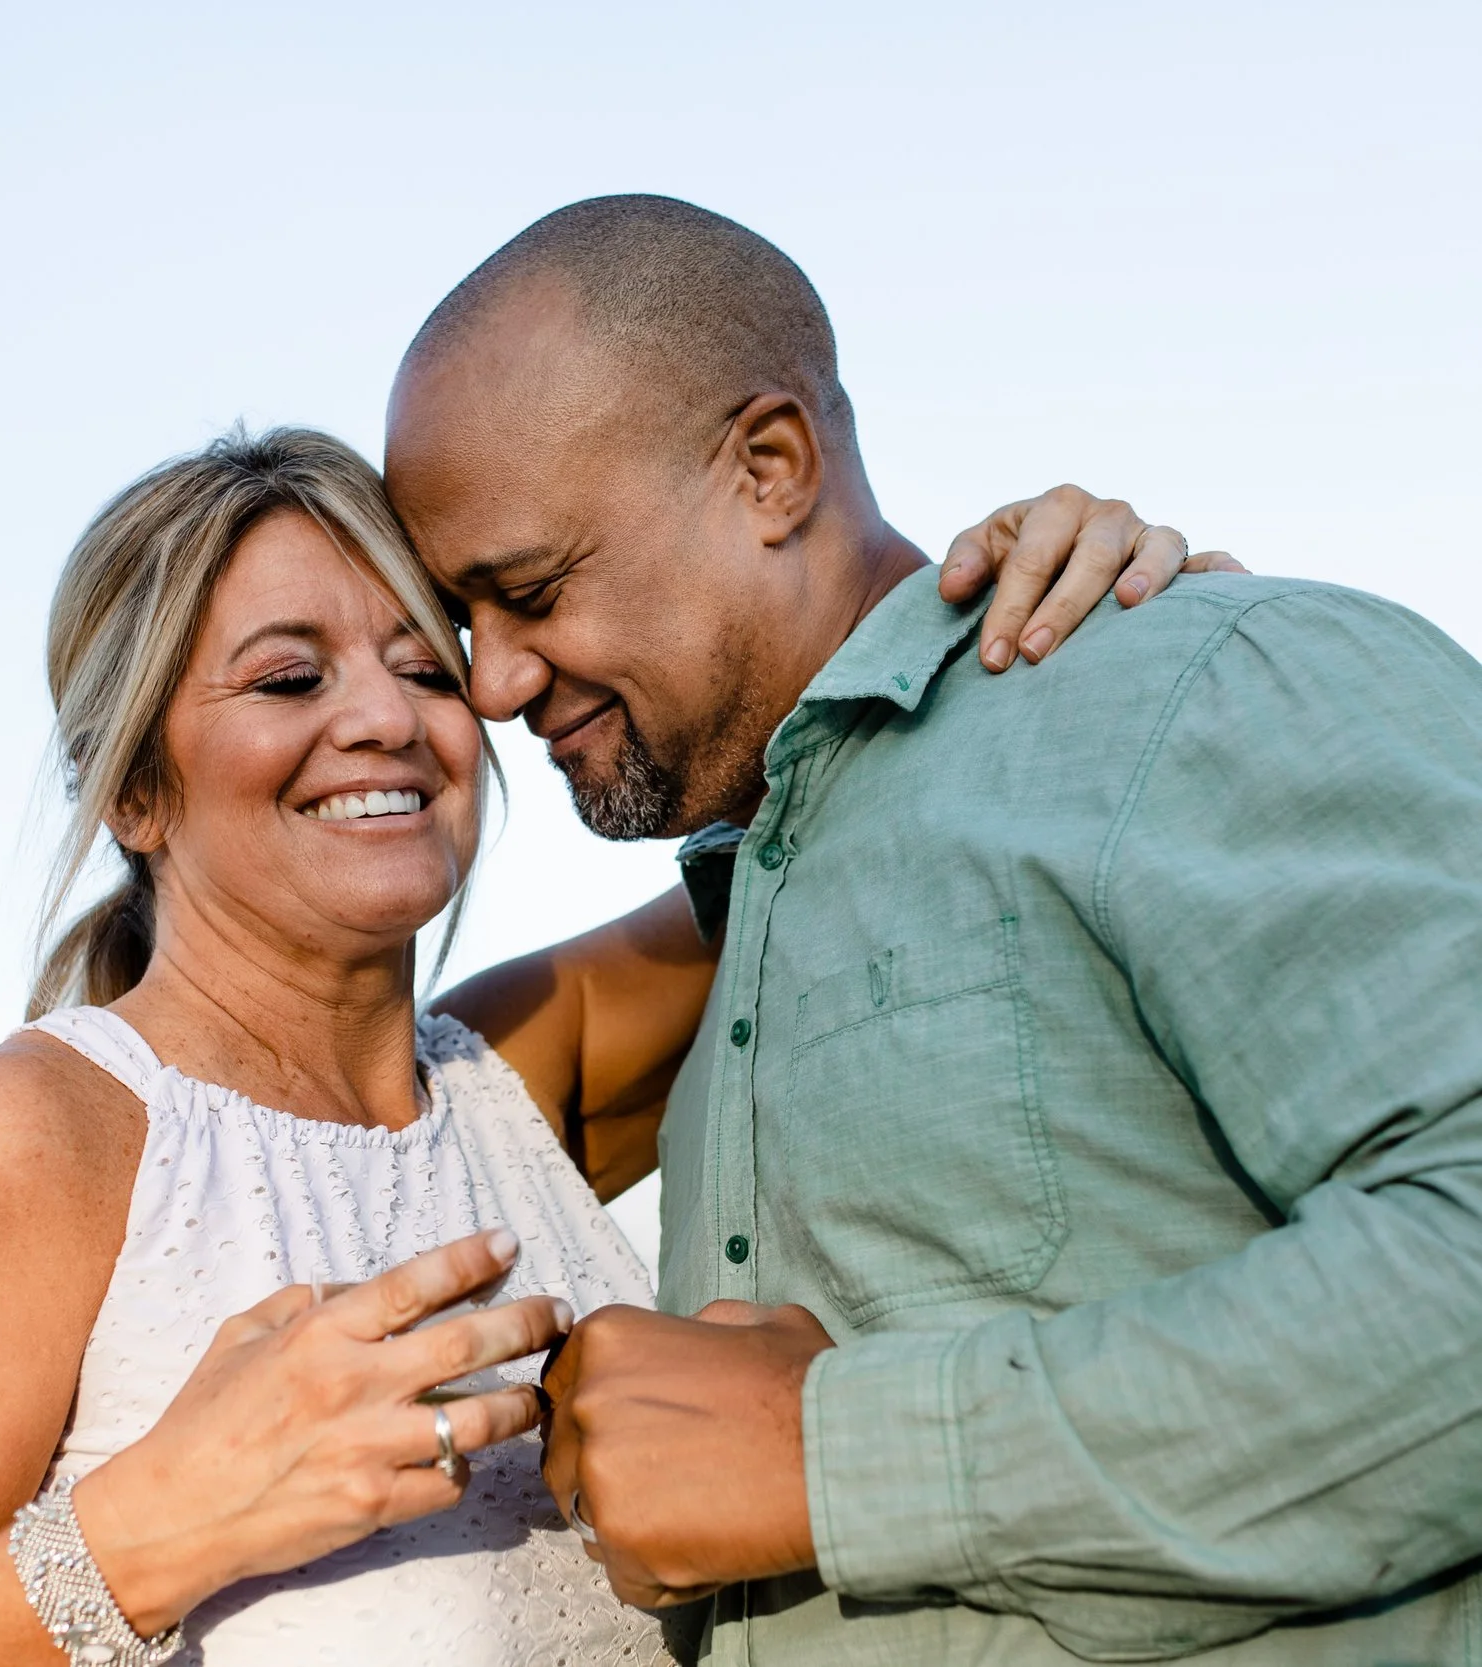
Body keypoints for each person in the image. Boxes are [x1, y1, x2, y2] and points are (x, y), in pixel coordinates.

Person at [0, 413, 1204, 1666]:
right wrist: (169, 1518)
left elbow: (854, 810)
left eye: (424, 665)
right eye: (289, 678)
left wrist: (1064, 603)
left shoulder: (528, 1064)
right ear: (135, 793)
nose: (385, 720)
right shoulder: (24, 1139)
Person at [384, 194, 1482, 1664]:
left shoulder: (1190, 684)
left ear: (769, 471)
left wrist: (830, 1459)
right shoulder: (729, 938)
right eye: (463, 622)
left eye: (528, 592)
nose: (497, 684)